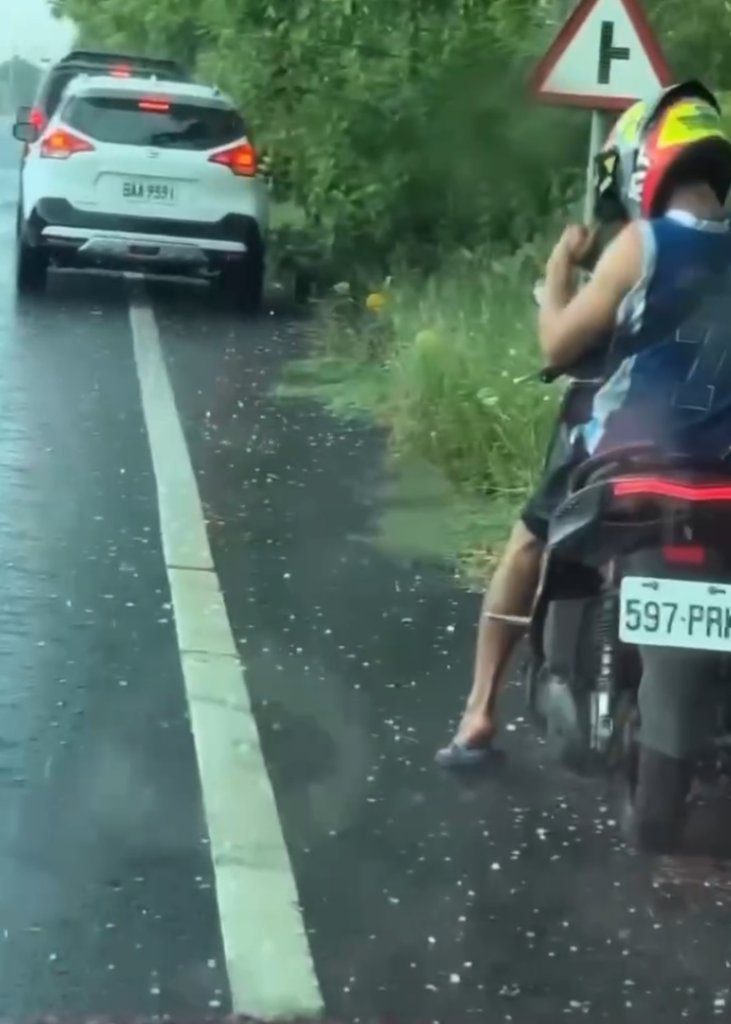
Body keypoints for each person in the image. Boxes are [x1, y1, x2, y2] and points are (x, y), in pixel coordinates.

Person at [437, 79, 731, 769]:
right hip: (721, 465)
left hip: (628, 453)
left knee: (525, 549)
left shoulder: (639, 244)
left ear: (642, 168)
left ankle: (479, 711)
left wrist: (559, 269)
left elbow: (557, 346)